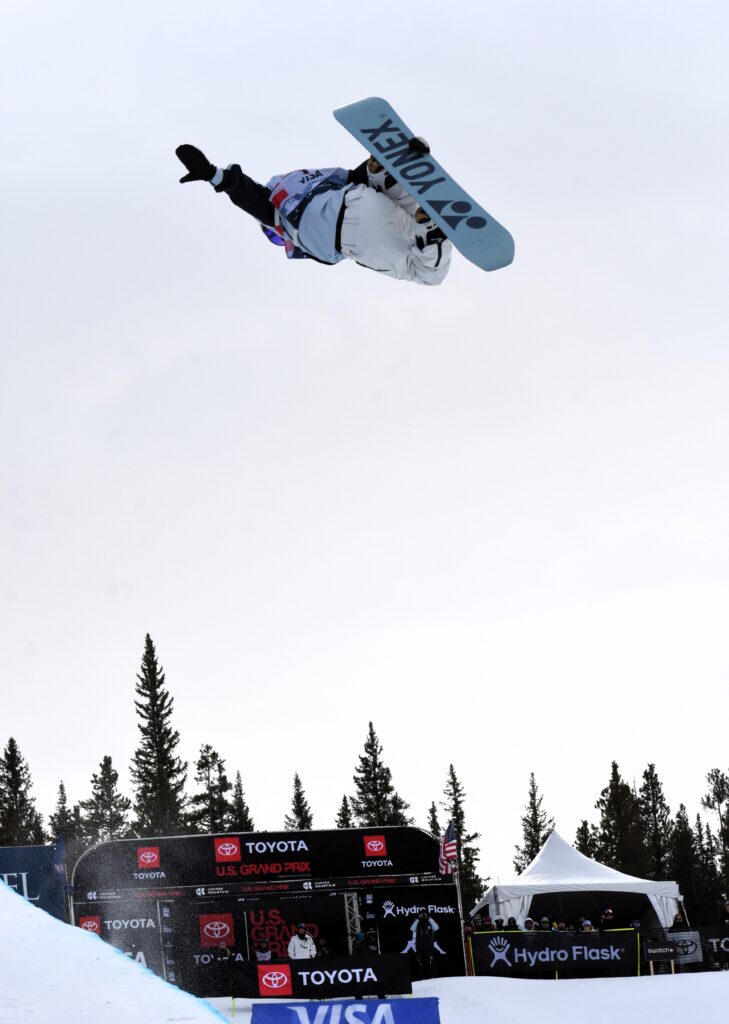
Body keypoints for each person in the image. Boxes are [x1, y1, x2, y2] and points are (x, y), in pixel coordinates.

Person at [175, 142, 452, 286]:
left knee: (428, 275)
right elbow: (355, 177)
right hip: (359, 198)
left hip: (351, 236)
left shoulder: (282, 216)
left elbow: (250, 197)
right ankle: (388, 173)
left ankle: (432, 231)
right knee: (399, 212)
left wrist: (215, 176)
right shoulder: (311, 181)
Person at [414, 910, 437, 980]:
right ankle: (421, 978)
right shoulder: (418, 922)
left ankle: (432, 977)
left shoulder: (430, 922)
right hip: (419, 947)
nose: (423, 916)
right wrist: (418, 919)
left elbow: (436, 928)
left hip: (429, 947)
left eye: (424, 914)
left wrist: (429, 918)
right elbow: (412, 929)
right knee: (420, 963)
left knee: (430, 962)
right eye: (422, 914)